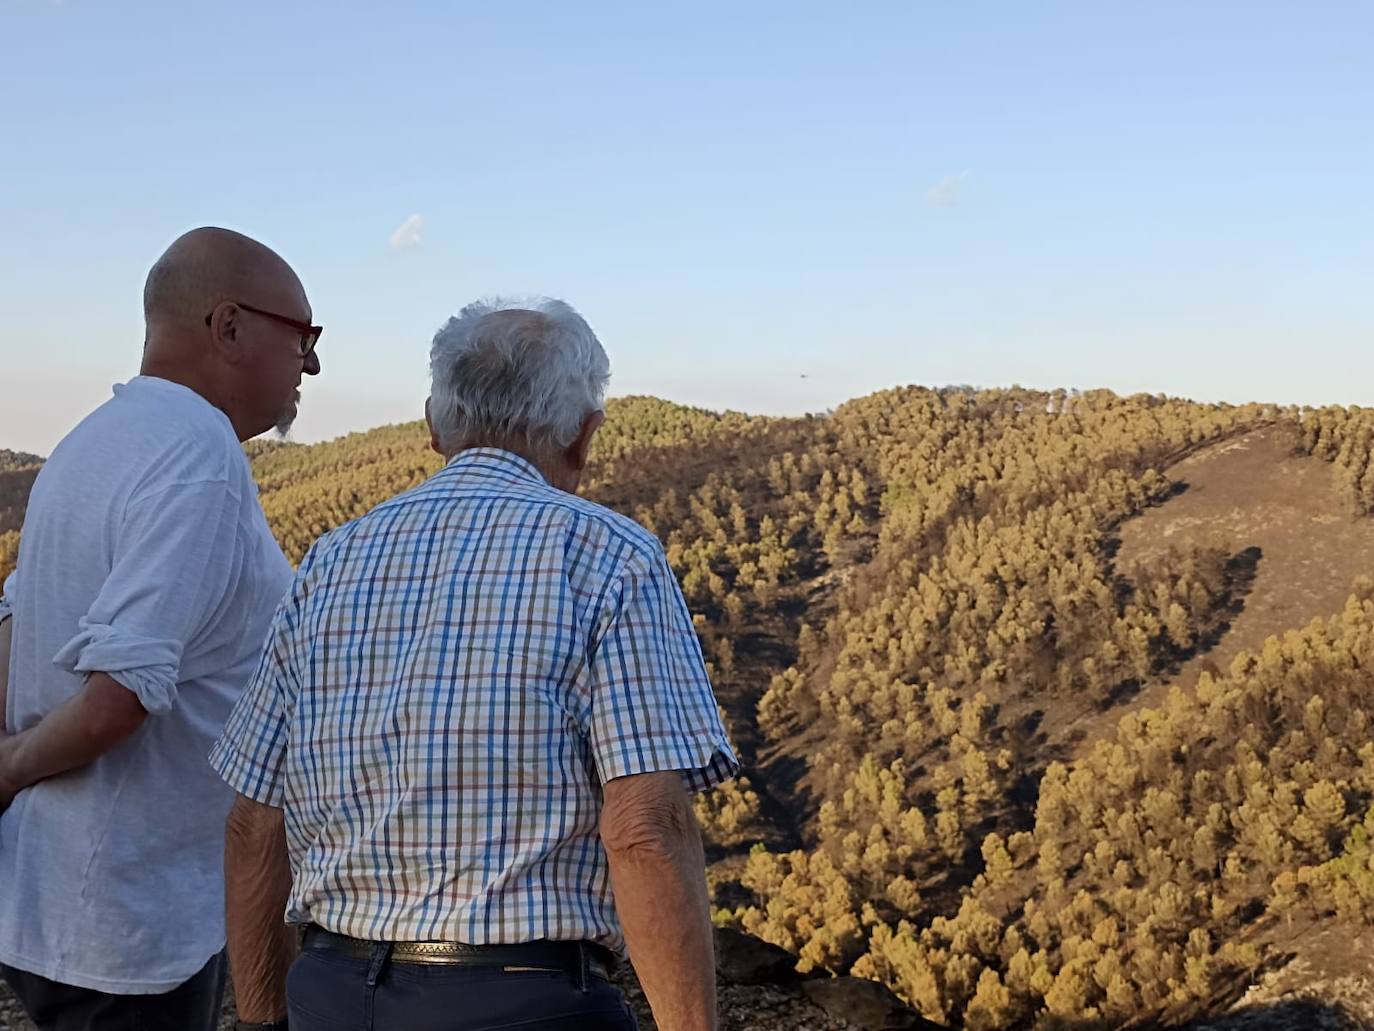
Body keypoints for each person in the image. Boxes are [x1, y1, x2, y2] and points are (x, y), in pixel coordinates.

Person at [212, 297, 738, 1031]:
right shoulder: (611, 557)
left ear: (435, 425)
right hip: (526, 1002)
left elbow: (253, 821)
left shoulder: (332, 561)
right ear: (585, 436)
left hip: (332, 992)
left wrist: (264, 1020)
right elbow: (645, 829)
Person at [0, 226, 321, 1031]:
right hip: (131, 919)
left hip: (56, 894)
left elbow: (15, 622)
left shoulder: (88, 443)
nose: (311, 365)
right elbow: (121, 695)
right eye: (303, 336)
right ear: (229, 327)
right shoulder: (198, 457)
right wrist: (6, 773)